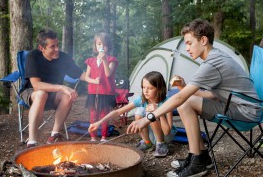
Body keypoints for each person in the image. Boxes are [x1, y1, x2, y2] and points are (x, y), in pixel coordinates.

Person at [126, 19, 262, 177]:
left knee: (185, 103)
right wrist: (184, 88)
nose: (187, 48)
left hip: (246, 113)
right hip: (239, 106)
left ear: (203, 40)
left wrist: (148, 118)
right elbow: (211, 95)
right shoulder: (217, 57)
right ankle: (201, 157)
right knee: (187, 102)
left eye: (189, 43)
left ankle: (197, 162)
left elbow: (181, 98)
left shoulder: (212, 63)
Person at [20, 28, 89, 147]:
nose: (57, 49)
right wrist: (62, 87)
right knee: (42, 94)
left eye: (58, 45)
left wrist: (98, 68)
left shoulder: (63, 58)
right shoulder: (33, 56)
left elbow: (82, 75)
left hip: (53, 95)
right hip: (32, 92)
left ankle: (54, 135)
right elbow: (36, 85)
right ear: (42, 48)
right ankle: (32, 141)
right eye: (52, 46)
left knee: (68, 95)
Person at [89, 71, 176, 157]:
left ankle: (161, 145)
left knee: (150, 113)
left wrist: (158, 111)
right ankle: (147, 143)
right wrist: (99, 122)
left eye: (150, 88)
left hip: (165, 136)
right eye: (143, 87)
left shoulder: (167, 102)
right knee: (140, 112)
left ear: (159, 88)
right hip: (152, 134)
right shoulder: (142, 99)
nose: (145, 91)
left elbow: (167, 131)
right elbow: (118, 112)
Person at [84, 32, 118, 142]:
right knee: (93, 114)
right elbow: (86, 77)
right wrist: (94, 81)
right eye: (99, 44)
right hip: (93, 92)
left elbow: (108, 74)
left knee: (104, 114)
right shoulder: (90, 61)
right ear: (95, 45)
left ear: (108, 46)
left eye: (104, 45)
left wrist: (104, 60)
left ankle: (103, 137)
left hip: (106, 92)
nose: (101, 47)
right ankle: (93, 136)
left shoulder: (111, 60)